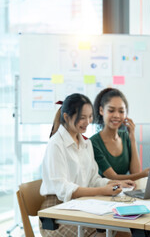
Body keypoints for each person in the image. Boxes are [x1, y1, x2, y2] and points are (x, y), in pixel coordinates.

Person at [40, 93, 134, 237]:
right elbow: (63, 188)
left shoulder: (86, 144)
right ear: (66, 117)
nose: (88, 121)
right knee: (108, 230)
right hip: (55, 213)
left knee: (123, 227)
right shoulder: (56, 144)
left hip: (80, 205)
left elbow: (93, 180)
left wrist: (116, 183)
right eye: (82, 117)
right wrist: (103, 190)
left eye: (90, 116)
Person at [91, 88, 149, 181]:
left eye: (121, 111)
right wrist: (143, 174)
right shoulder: (93, 142)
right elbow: (113, 177)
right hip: (102, 193)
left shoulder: (126, 136)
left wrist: (132, 138)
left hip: (123, 192)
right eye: (111, 110)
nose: (117, 115)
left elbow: (135, 173)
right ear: (101, 110)